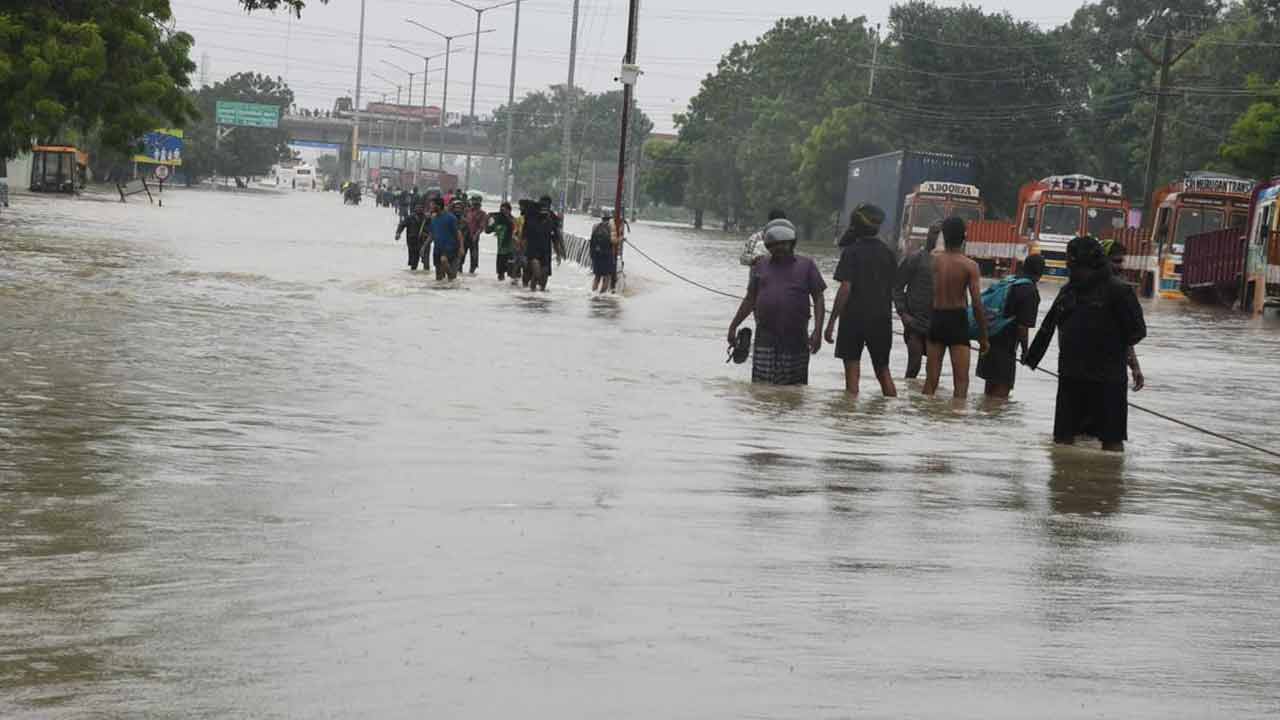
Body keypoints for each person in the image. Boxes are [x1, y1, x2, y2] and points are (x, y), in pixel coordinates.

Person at [1025, 236, 1147, 452]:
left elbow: (1136, 332)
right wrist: (1030, 359)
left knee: (1111, 444)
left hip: (1108, 382)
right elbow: (1048, 327)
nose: (1069, 269)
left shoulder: (1119, 291)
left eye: (1073, 265)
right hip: (1071, 379)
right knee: (1062, 444)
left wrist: (1112, 348)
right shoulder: (1069, 291)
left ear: (1090, 264)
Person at [727, 220, 826, 385]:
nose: (779, 248)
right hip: (765, 335)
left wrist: (818, 331)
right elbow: (750, 298)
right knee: (761, 387)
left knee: (793, 388)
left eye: (783, 244)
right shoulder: (760, 265)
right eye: (773, 245)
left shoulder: (806, 265)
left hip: (796, 337)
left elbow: (818, 298)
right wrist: (733, 326)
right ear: (767, 246)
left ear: (792, 244)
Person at [824, 204, 898, 397]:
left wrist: (831, 321)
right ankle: (891, 415)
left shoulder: (851, 252)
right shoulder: (889, 253)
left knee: (852, 376)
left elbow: (845, 288)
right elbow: (893, 288)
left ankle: (850, 416)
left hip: (853, 320)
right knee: (883, 371)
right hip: (881, 320)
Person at [923, 217, 988, 399]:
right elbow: (976, 303)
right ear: (964, 237)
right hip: (958, 320)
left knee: (930, 381)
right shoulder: (970, 266)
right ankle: (957, 418)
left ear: (944, 236)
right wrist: (983, 337)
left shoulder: (934, 261)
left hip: (936, 318)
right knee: (961, 381)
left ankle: (922, 419)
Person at [976, 255, 1045, 398]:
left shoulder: (1009, 281)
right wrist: (1026, 352)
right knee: (1000, 400)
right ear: (1040, 273)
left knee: (988, 396)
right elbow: (1022, 327)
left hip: (989, 341)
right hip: (1005, 351)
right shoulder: (1030, 291)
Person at [893, 221, 941, 379]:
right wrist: (903, 314)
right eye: (933, 232)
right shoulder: (915, 258)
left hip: (937, 323)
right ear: (927, 235)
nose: (935, 236)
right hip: (915, 322)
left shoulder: (947, 262)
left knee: (933, 372)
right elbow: (897, 287)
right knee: (914, 366)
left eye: (939, 233)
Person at [1102, 240, 1147, 391]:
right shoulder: (1122, 293)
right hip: (1108, 376)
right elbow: (1135, 333)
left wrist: (1135, 366)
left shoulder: (1072, 289)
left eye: (1121, 261)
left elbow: (1125, 335)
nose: (1121, 267)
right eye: (1116, 261)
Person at [519, 196, 564, 291]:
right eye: (542, 206)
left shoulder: (552, 219)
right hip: (532, 251)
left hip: (545, 252)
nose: (544, 209)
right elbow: (523, 237)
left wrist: (558, 254)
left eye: (546, 207)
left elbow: (555, 238)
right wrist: (522, 254)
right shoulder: (531, 217)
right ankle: (529, 295)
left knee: (543, 282)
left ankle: (538, 299)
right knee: (535, 274)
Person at [428, 196, 464, 280]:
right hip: (437, 249)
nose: (430, 207)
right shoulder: (433, 219)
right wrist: (424, 246)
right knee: (438, 277)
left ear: (438, 206)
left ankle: (451, 278)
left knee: (444, 261)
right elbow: (432, 235)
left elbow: (458, 233)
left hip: (450, 248)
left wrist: (461, 247)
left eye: (432, 205)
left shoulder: (451, 218)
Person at [394, 201, 431, 271]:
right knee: (414, 263)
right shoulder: (410, 217)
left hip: (424, 242)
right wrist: (398, 233)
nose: (419, 209)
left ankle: (426, 276)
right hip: (413, 242)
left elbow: (433, 228)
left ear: (423, 209)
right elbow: (402, 225)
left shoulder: (427, 218)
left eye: (421, 207)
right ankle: (413, 278)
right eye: (418, 207)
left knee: (426, 263)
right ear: (414, 208)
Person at [590, 211, 620, 293]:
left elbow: (592, 240)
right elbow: (613, 241)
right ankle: (601, 295)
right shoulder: (611, 226)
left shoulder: (595, 226)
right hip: (606, 255)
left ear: (602, 218)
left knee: (597, 276)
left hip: (596, 254)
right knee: (606, 277)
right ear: (609, 218)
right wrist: (620, 239)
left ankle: (593, 294)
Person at [488, 201, 517, 281]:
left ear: (509, 210)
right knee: (501, 275)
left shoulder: (513, 220)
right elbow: (488, 230)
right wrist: (488, 219)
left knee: (512, 274)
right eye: (502, 210)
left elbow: (516, 233)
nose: (503, 212)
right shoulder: (497, 220)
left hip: (511, 249)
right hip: (501, 250)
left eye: (505, 210)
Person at [462, 195, 487, 275]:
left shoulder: (482, 213)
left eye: (476, 201)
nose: (474, 203)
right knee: (462, 254)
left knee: (474, 255)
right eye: (473, 201)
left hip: (474, 236)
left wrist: (476, 236)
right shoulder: (467, 211)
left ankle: (472, 272)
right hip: (465, 235)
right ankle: (459, 271)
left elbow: (481, 227)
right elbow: (463, 221)